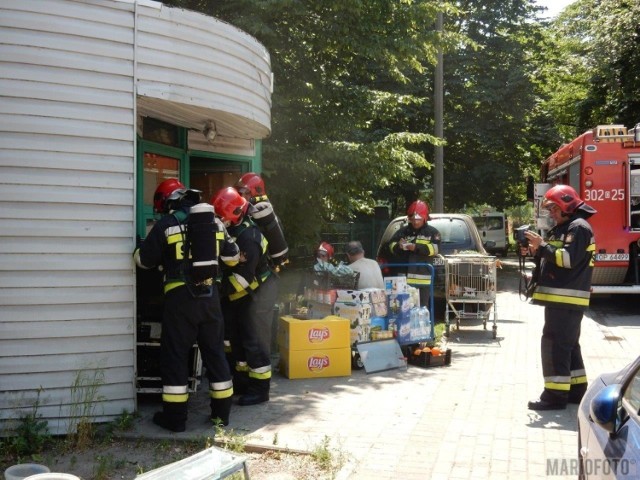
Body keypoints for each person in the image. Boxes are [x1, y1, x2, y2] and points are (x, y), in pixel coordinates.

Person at [134, 178, 238, 432]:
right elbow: (233, 258)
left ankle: (175, 419)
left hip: (180, 301)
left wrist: (139, 249)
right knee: (215, 355)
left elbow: (143, 262)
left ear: (168, 202)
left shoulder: (167, 224)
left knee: (176, 358)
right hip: (210, 298)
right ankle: (221, 417)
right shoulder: (213, 223)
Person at [522, 184, 596, 411]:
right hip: (563, 300)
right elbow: (555, 258)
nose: (552, 214)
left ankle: (554, 397)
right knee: (569, 346)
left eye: (554, 209)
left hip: (566, 300)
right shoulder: (566, 228)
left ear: (566, 204)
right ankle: (575, 391)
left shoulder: (578, 228)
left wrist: (542, 246)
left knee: (555, 346)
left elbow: (567, 260)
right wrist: (536, 252)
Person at [212, 187, 279, 406]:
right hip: (243, 294)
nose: (221, 220)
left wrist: (217, 292)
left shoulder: (249, 237)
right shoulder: (234, 230)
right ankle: (242, 381)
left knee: (255, 340)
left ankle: (261, 389)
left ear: (234, 213)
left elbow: (242, 278)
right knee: (237, 340)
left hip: (258, 293)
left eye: (223, 216)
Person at [385, 200, 441, 308]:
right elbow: (390, 247)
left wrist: (416, 247)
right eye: (413, 219)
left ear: (425, 218)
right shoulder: (402, 232)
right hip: (403, 278)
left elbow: (435, 249)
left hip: (423, 279)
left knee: (422, 308)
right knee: (403, 308)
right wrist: (398, 246)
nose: (415, 222)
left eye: (418, 219)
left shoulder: (432, 233)